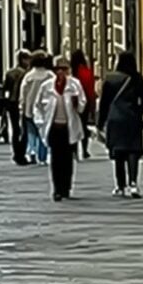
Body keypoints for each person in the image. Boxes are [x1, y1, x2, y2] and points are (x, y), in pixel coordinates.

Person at [99, 51, 143, 196]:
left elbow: (104, 103)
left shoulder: (110, 79)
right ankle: (133, 183)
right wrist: (138, 112)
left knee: (118, 152)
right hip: (132, 118)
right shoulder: (137, 78)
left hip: (115, 119)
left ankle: (120, 186)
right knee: (133, 151)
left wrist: (101, 121)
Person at [45, 54, 86, 200]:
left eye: (63, 69)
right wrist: (41, 122)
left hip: (68, 128)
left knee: (67, 159)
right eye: (57, 69)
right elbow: (39, 105)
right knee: (55, 159)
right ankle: (57, 189)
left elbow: (82, 104)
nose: (60, 72)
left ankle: (66, 187)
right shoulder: (47, 86)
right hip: (54, 127)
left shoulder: (75, 85)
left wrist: (77, 104)